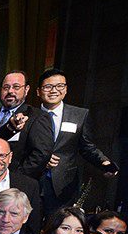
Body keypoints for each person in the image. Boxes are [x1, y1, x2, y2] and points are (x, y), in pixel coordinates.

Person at [35, 68, 119, 214]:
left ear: (66, 89)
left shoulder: (79, 115)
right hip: (33, 180)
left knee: (57, 227)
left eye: (59, 86)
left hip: (64, 184)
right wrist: (41, 160)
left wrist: (103, 162)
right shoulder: (30, 115)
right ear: (38, 91)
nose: (54, 90)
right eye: (48, 86)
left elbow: (87, 146)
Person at [0, 70, 54, 177]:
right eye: (6, 87)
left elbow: (41, 155)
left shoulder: (37, 117)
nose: (10, 91)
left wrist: (15, 179)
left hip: (17, 185)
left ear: (26, 90)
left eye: (16, 87)